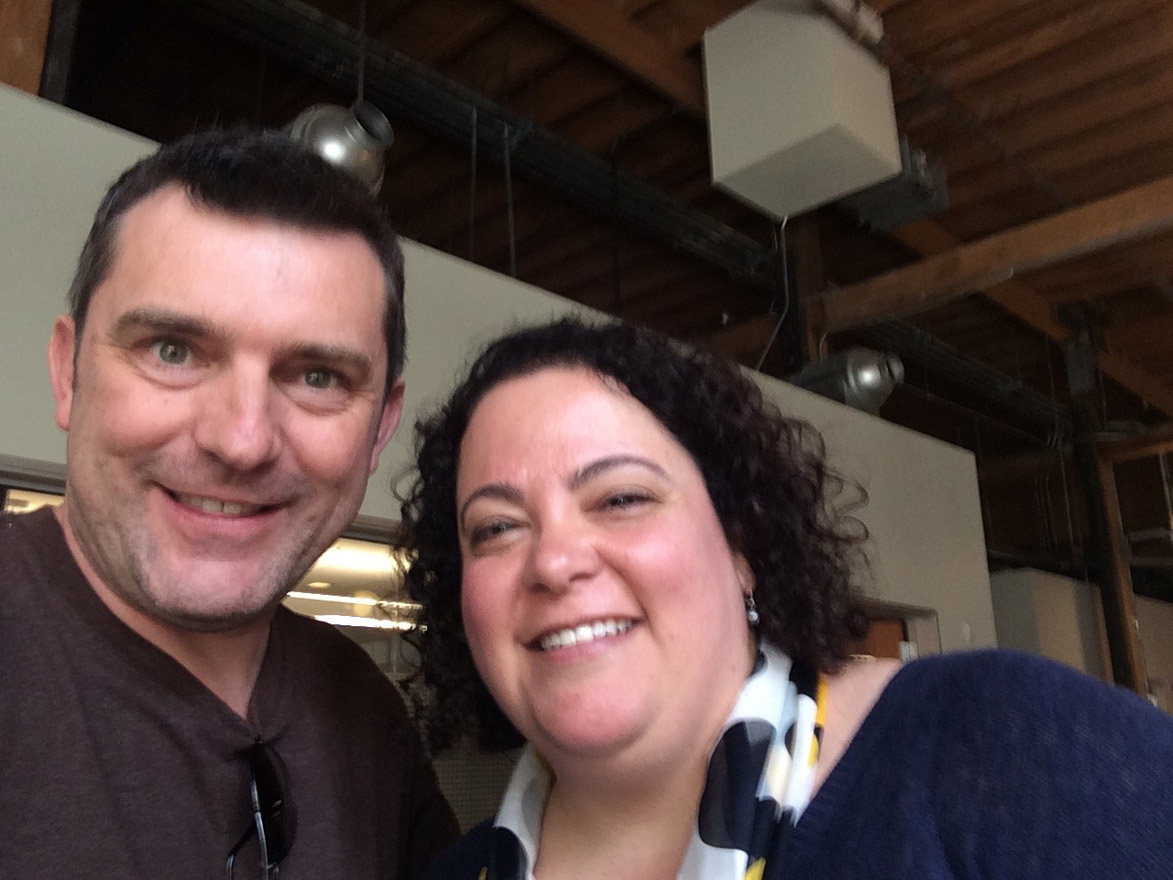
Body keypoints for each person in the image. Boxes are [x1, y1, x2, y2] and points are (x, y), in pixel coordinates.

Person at [398, 316, 1173, 880]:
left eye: (621, 498)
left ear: (741, 545)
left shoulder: (1007, 745)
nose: (554, 561)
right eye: (496, 528)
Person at [0, 130, 457, 879]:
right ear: (67, 372)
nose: (242, 441)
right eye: (172, 350)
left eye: (317, 376)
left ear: (380, 427)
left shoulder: (365, 712)